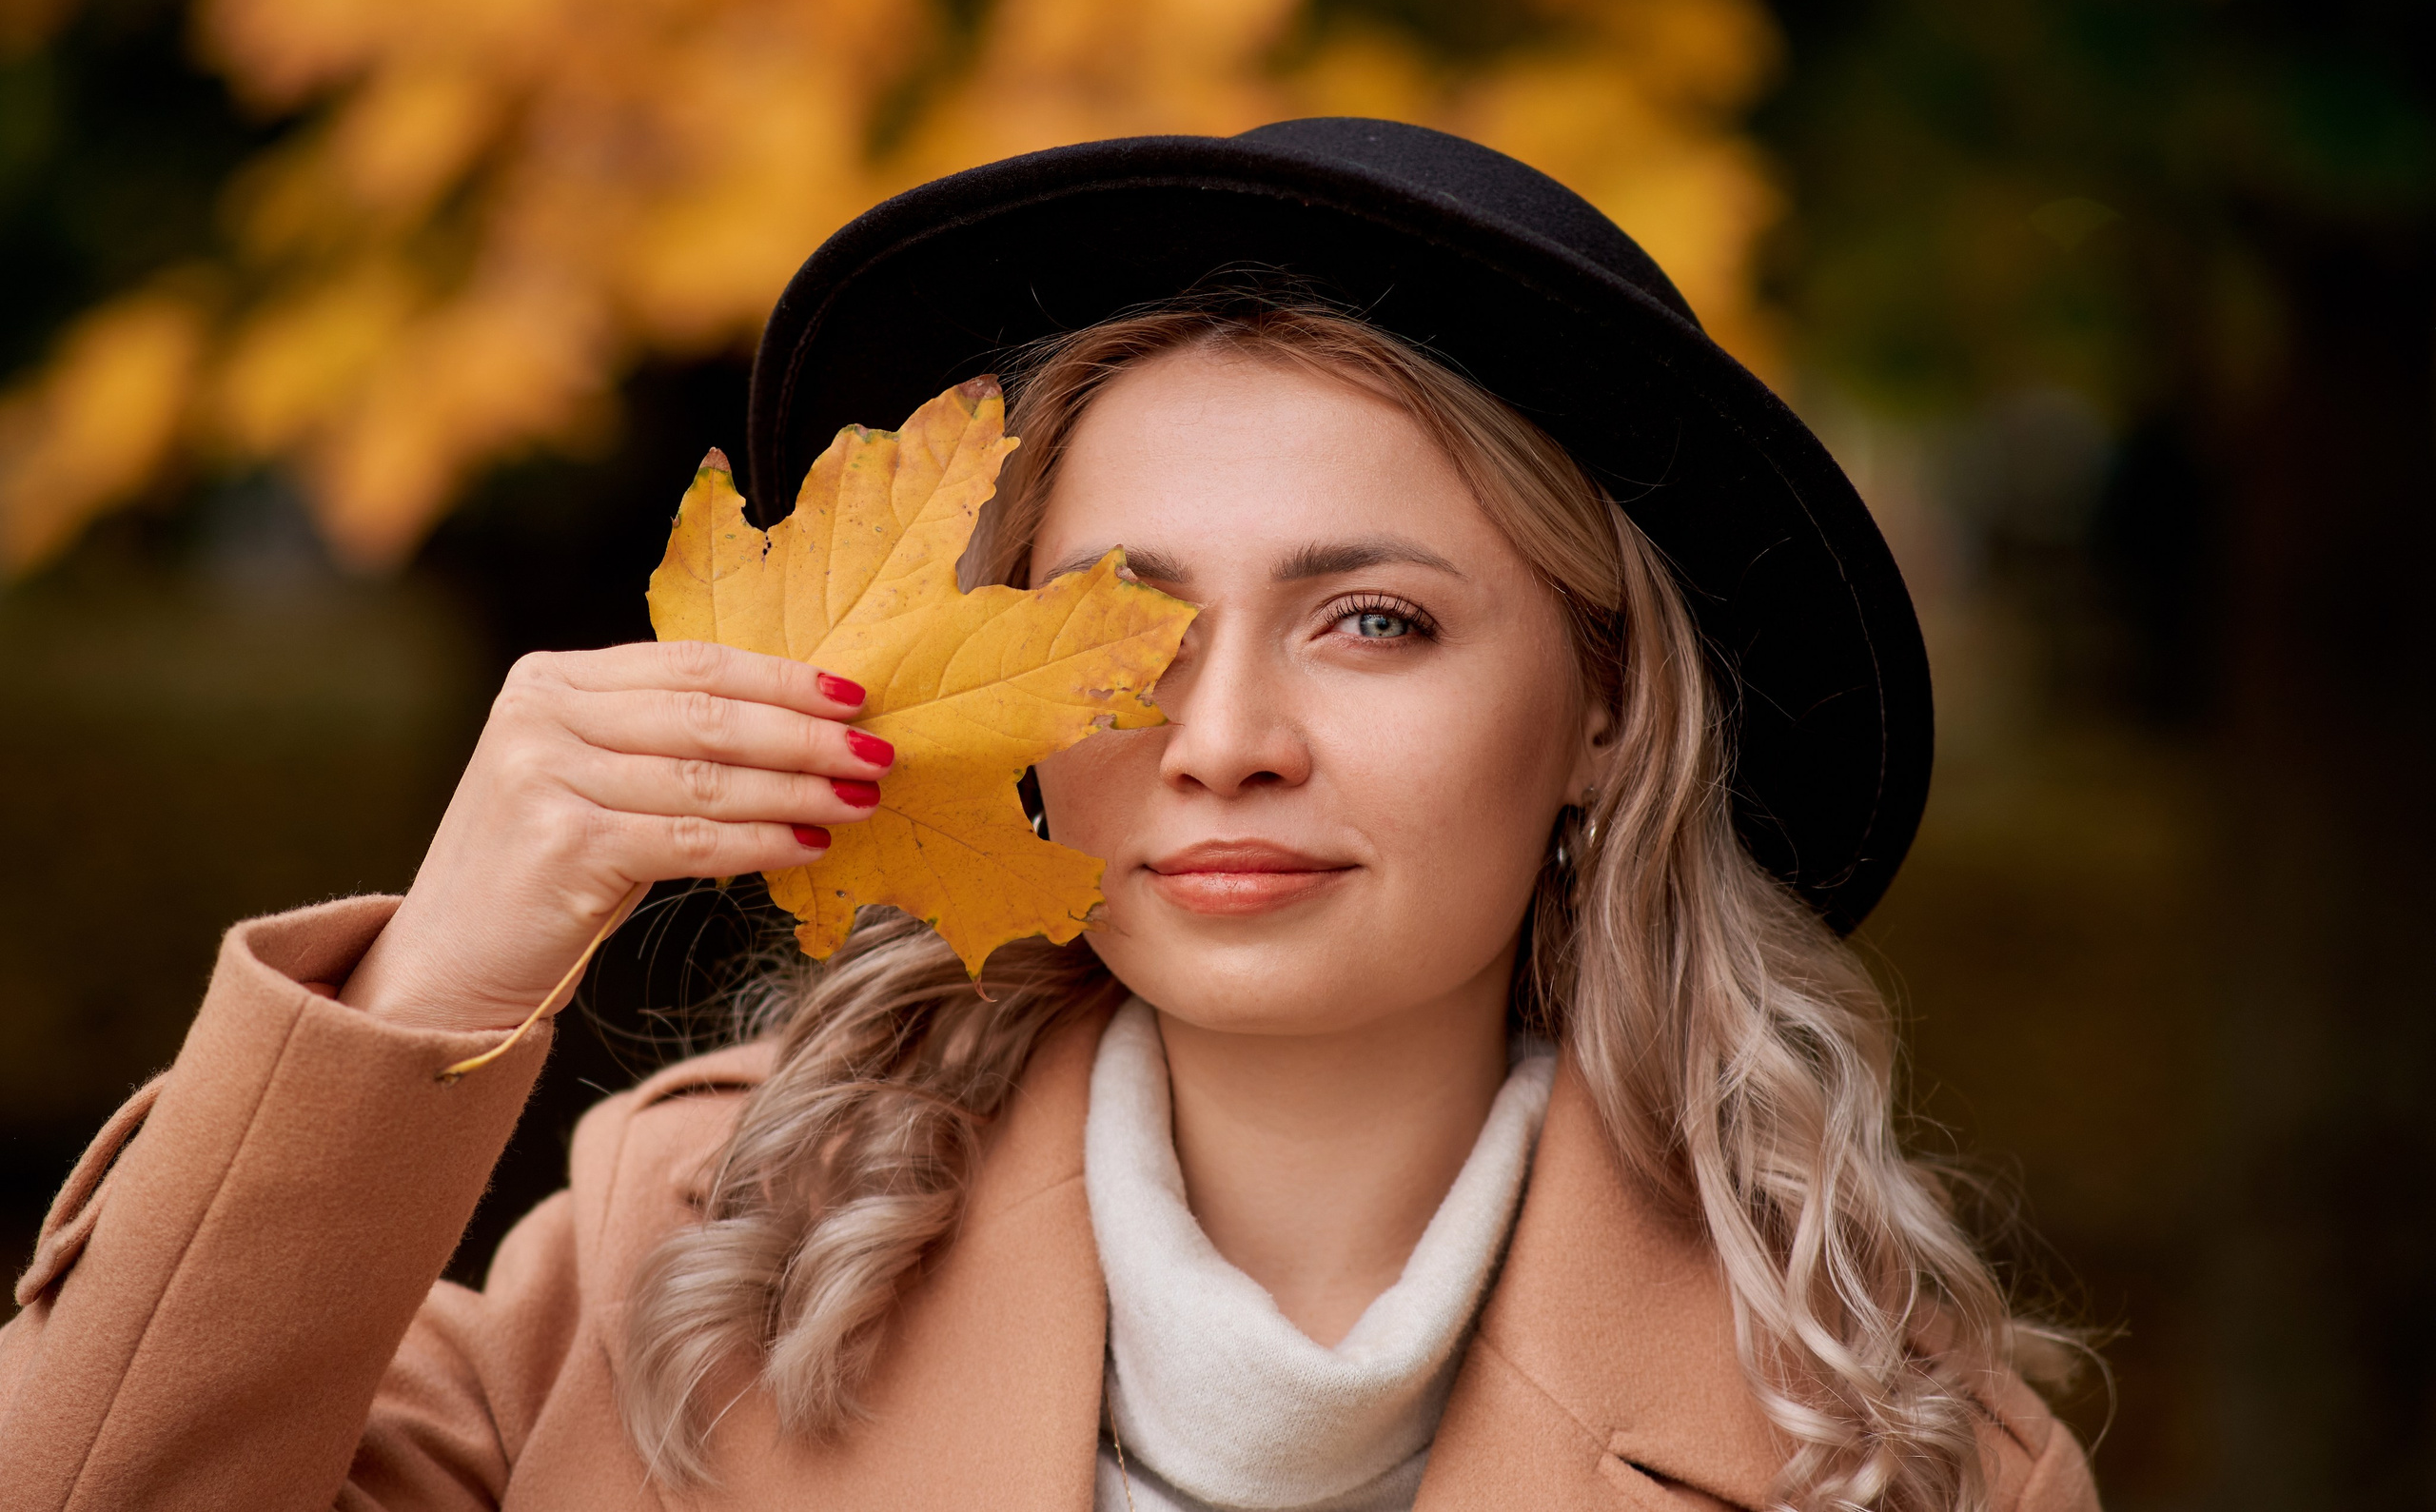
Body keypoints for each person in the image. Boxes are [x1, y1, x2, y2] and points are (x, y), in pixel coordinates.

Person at [0, 120, 2100, 1512]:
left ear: (1602, 714)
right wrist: (446, 964)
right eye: (1119, 628)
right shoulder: (695, 1246)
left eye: (1371, 619)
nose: (1224, 738)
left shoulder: (1896, 1452)